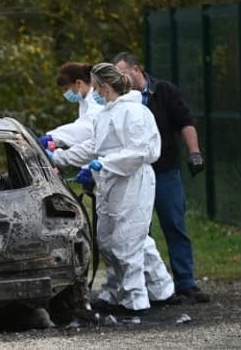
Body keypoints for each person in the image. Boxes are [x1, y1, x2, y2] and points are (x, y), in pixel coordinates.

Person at [48, 63, 174, 315]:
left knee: (127, 240)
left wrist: (103, 164)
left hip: (133, 181)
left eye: (95, 86)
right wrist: (60, 157)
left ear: (104, 87)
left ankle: (135, 300)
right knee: (107, 239)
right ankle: (147, 290)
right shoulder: (105, 114)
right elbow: (94, 146)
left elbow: (139, 152)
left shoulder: (135, 113)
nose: (93, 91)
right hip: (110, 181)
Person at [112, 52, 210, 303]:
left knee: (174, 223)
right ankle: (152, 285)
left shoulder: (164, 92)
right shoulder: (120, 100)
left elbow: (185, 122)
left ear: (137, 69)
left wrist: (194, 152)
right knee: (140, 230)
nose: (119, 79)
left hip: (164, 170)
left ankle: (185, 282)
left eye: (122, 74)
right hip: (135, 175)